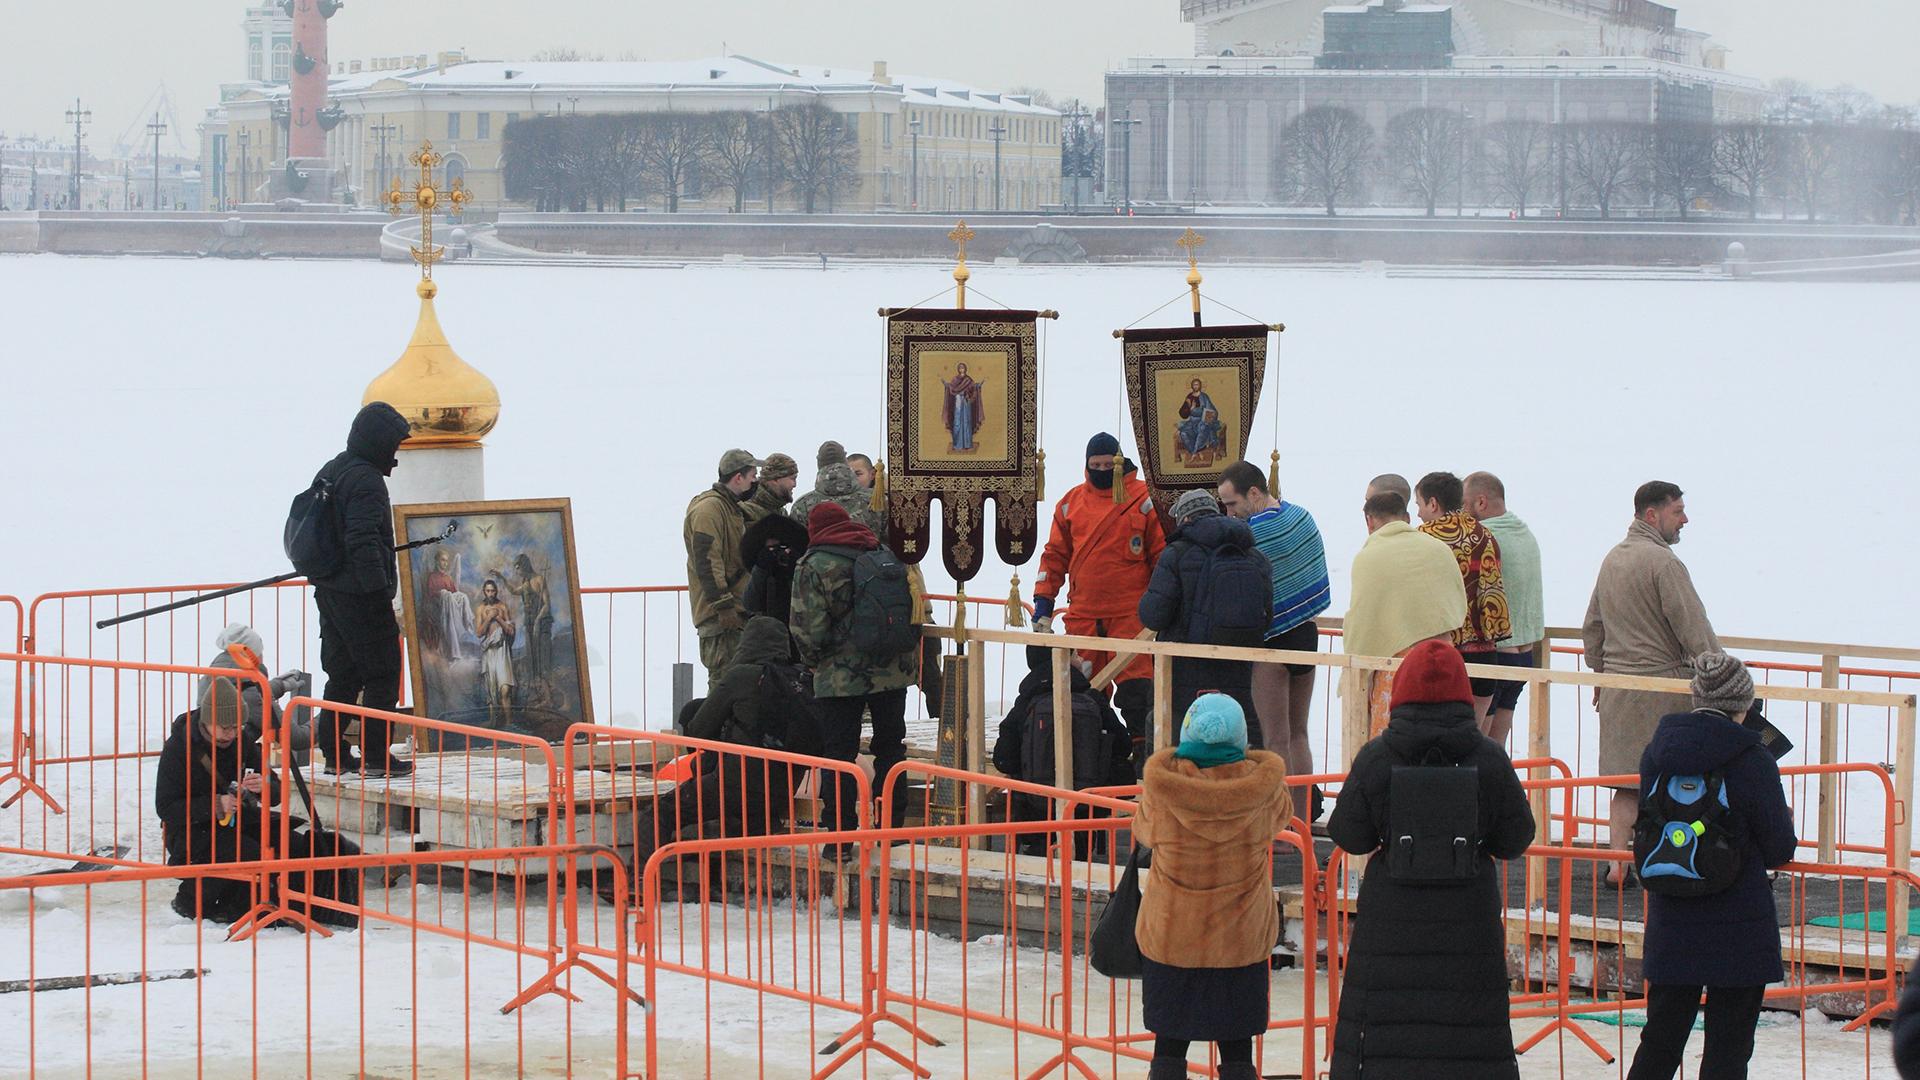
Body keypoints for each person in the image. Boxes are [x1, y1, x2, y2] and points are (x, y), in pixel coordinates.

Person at [1327, 640, 1536, 1080]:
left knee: (1386, 1035)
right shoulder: (1488, 759)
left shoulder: (1378, 757)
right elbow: (1516, 838)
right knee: (1469, 1034)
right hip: (1469, 920)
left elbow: (1348, 833)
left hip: (1390, 921)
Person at [1627, 653, 1795, 1080]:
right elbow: (1778, 847)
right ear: (1744, 704)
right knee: (1728, 1050)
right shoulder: (1753, 759)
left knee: (1661, 1041)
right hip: (1739, 925)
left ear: (1696, 696)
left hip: (1672, 921)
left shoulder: (1656, 754)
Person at [1133, 693, 1292, 1080]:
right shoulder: (1263, 790)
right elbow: (1282, 817)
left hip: (1173, 936)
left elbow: (1144, 831)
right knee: (1238, 1051)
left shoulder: (1163, 789)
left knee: (1168, 1047)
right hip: (1240, 939)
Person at [1584, 481, 1720, 886]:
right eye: (1677, 511)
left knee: (1625, 784)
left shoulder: (1614, 559)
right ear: (1651, 515)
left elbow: (1592, 626)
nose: (1685, 519)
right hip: (1664, 692)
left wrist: (1599, 673)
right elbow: (1694, 629)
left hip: (1618, 688)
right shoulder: (1665, 564)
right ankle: (1671, 861)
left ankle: (1617, 867)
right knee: (1674, 783)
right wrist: (1723, 676)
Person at [1034, 432, 1168, 762]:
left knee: (1137, 691)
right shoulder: (1070, 503)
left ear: (1121, 463)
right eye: (1096, 465)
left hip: (1132, 617)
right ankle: (1092, 755)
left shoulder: (1143, 498)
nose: (1103, 470)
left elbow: (1161, 556)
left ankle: (1142, 755)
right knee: (1084, 691)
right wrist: (1043, 603)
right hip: (1083, 616)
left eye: (1109, 464)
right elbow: (1054, 556)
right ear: (1086, 465)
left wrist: (1164, 606)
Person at [156, 678, 333, 925]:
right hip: (190, 829)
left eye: (236, 727)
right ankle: (191, 902)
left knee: (289, 841)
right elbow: (165, 807)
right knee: (244, 851)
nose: (231, 734)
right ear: (207, 721)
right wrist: (216, 805)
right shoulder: (179, 747)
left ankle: (246, 906)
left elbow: (275, 794)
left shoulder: (242, 741)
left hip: (237, 822)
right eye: (225, 727)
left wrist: (264, 787)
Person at [790, 503, 919, 831]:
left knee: (839, 755)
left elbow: (808, 629)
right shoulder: (883, 552)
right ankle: (892, 829)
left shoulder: (814, 564)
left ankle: (841, 834)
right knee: (891, 749)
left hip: (840, 678)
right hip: (892, 672)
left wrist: (813, 663)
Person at [308, 401, 414, 777]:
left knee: (343, 674)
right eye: (394, 444)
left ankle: (335, 754)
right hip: (359, 594)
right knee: (383, 673)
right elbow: (363, 539)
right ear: (378, 442)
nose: (396, 452)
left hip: (329, 589)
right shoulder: (367, 480)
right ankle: (376, 756)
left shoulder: (333, 468)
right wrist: (378, 590)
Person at [1219, 461, 1330, 815]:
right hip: (1306, 633)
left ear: (1254, 493)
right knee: (1300, 734)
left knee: (1276, 738)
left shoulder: (1250, 535)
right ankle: (1302, 820)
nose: (1229, 512)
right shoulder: (1302, 517)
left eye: (1232, 503)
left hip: (1271, 641)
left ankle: (1282, 827)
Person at [1138, 489, 1272, 742]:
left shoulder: (1177, 554)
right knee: (1234, 737)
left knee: (1183, 741)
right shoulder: (1254, 555)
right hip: (1240, 669)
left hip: (1184, 672)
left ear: (1185, 519)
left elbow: (1153, 615)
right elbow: (1266, 617)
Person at [1343, 490, 1467, 742]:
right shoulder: (1438, 549)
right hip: (1446, 659)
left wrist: (1352, 666)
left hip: (1396, 666)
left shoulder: (1370, 557)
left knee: (1394, 742)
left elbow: (1363, 618)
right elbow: (1457, 603)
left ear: (1369, 521)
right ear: (1408, 518)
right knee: (1445, 736)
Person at [992, 644, 1134, 857]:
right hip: (1085, 808)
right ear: (1063, 662)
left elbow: (1003, 759)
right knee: (1077, 873)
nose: (1081, 658)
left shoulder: (1027, 702)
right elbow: (1123, 745)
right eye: (1075, 654)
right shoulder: (1093, 699)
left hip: (1034, 809)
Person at [1415, 471, 1512, 720]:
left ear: (1433, 503)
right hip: (1485, 658)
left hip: (1441, 658)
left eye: (1419, 504)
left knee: (1439, 746)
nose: (1417, 513)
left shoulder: (1423, 539)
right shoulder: (1486, 536)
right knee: (1472, 745)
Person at [1465, 471, 1543, 744]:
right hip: (1525, 652)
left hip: (1499, 650)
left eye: (1465, 504)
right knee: (1498, 740)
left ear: (1481, 502)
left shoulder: (1485, 537)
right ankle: (1494, 783)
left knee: (1477, 744)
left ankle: (1477, 784)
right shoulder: (1523, 532)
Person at [685, 448, 762, 690]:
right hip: (721, 617)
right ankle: (715, 729)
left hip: (733, 611)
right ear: (738, 477)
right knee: (724, 684)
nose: (755, 481)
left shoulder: (730, 507)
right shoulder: (710, 509)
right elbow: (707, 561)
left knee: (736, 682)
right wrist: (723, 606)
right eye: (752, 475)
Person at [199, 623, 314, 764]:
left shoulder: (212, 675)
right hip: (231, 761)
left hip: (213, 755)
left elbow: (245, 693)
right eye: (260, 652)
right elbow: (298, 739)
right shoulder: (251, 693)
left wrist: (279, 685)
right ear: (251, 655)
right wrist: (331, 712)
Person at [791, 440, 886, 535]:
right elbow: (892, 540)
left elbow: (797, 545)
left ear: (819, 463)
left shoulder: (802, 506)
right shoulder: (877, 500)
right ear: (845, 461)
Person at [740, 511, 811, 626]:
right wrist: (761, 568)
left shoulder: (801, 566)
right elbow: (750, 604)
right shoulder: (761, 570)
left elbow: (812, 598)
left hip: (799, 626)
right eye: (772, 549)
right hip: (770, 631)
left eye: (781, 547)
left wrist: (797, 566)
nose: (778, 553)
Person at [474, 578, 516, 725]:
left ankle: (509, 723)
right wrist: (488, 618)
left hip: (502, 650)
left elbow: (510, 630)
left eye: (493, 591)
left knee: (505, 689)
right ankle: (493, 722)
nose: (490, 593)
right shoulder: (480, 609)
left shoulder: (502, 607)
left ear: (496, 591)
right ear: (484, 592)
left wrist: (497, 617)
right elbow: (479, 633)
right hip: (489, 651)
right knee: (491, 690)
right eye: (488, 591)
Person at [1174, 378, 1226, 466]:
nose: (1196, 386)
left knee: (1202, 428)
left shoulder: (1204, 396)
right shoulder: (1189, 398)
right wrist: (1190, 409)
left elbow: (1211, 410)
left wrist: (1202, 415)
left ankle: (1194, 453)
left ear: (1200, 386)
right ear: (1191, 386)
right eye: (1194, 385)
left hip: (1203, 421)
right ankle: (1195, 452)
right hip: (1192, 422)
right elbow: (1182, 413)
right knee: (1183, 433)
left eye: (1197, 384)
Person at [940, 363, 985, 452]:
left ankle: (967, 444)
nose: (961, 369)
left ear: (965, 369)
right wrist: (945, 384)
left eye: (963, 368)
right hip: (958, 401)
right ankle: (957, 444)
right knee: (957, 422)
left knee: (966, 421)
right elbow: (951, 387)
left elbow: (974, 387)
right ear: (958, 369)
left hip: (966, 402)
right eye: (960, 368)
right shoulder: (955, 379)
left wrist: (978, 385)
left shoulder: (968, 379)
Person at [745, 452, 799, 522]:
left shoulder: (782, 513)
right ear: (775, 480)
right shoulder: (746, 513)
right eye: (792, 478)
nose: (795, 485)